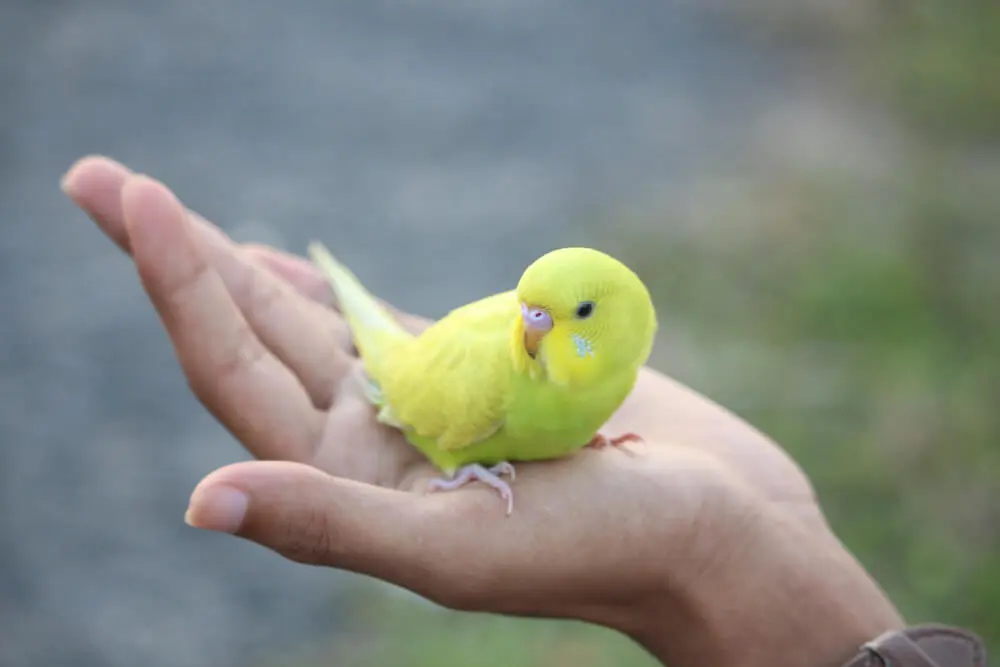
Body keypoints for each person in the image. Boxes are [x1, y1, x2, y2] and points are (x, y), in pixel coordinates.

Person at [60, 156, 987, 667]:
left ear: (620, 322)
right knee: (375, 336)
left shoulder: (614, 368)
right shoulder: (500, 365)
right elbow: (414, 406)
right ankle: (349, 298)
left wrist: (722, 540)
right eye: (526, 307)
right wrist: (463, 462)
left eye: (559, 317)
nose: (530, 331)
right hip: (426, 401)